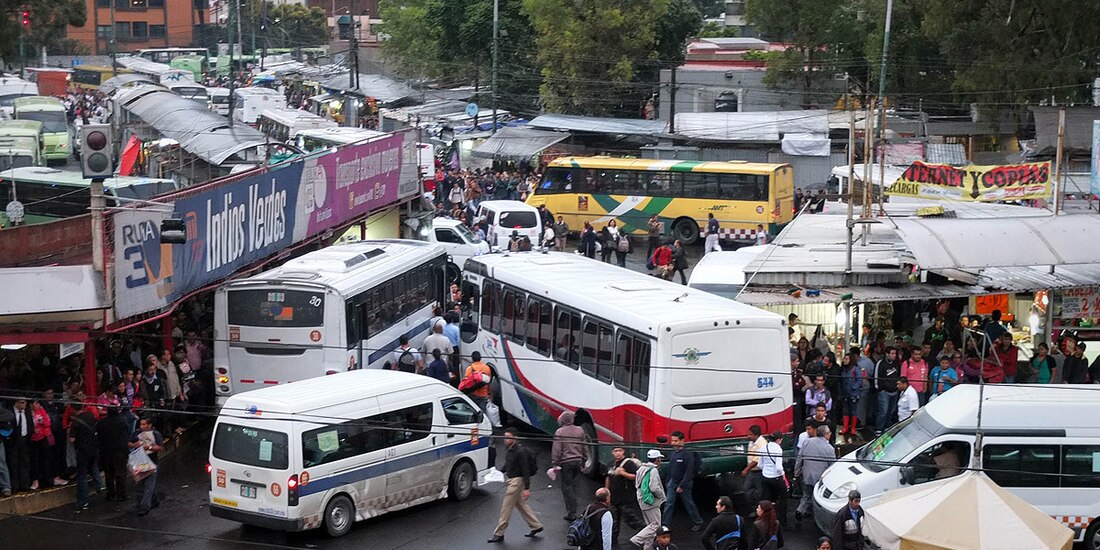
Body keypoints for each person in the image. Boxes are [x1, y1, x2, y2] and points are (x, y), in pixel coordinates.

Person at [488, 428, 543, 543]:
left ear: (515, 438)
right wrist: (498, 472)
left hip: (516, 482)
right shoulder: (510, 450)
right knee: (521, 505)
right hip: (511, 480)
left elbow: (525, 470)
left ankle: (499, 533)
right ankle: (536, 525)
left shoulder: (520, 452)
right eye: (505, 437)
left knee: (506, 508)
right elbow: (508, 464)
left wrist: (527, 488)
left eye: (508, 437)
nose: (505, 440)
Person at [662, 431, 703, 531]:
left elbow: (689, 472)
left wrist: (682, 485)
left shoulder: (688, 454)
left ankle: (698, 522)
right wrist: (668, 481)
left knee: (688, 503)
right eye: (672, 441)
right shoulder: (673, 454)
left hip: (684, 484)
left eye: (676, 441)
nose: (673, 443)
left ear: (682, 441)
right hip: (672, 482)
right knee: (669, 503)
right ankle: (665, 525)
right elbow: (671, 468)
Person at [552, 411, 588, 521]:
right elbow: (585, 446)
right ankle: (572, 508)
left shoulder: (560, 432)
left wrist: (555, 463)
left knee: (566, 486)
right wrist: (584, 460)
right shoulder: (580, 430)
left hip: (566, 462)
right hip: (577, 461)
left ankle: (572, 511)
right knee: (572, 485)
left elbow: (557, 449)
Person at [795, 425, 835, 524]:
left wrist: (797, 471)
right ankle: (816, 516)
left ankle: (800, 510)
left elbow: (800, 458)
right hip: (820, 477)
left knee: (807, 494)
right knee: (817, 497)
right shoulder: (829, 448)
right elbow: (832, 466)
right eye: (829, 432)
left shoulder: (807, 441)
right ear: (826, 435)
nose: (830, 434)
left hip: (807, 475)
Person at [605, 446, 643, 545]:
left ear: (623, 452)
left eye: (620, 451)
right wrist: (606, 492)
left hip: (626, 499)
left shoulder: (629, 464)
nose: (618, 453)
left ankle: (646, 535)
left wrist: (623, 473)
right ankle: (612, 542)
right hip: (613, 499)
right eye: (615, 451)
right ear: (612, 453)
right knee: (614, 522)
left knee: (632, 520)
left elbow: (636, 477)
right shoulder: (610, 464)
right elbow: (608, 478)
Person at [629, 449, 667, 549]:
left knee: (650, 527)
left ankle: (647, 547)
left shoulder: (641, 468)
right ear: (657, 459)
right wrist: (661, 495)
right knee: (656, 526)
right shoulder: (653, 470)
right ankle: (636, 539)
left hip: (642, 500)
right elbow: (654, 487)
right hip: (651, 502)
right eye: (660, 459)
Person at [68, 402, 101, 511]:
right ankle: (99, 485)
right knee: (94, 467)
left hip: (82, 451)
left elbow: (72, 439)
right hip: (94, 448)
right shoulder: (90, 416)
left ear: (73, 409)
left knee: (82, 475)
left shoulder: (75, 422)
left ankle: (84, 500)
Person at [130, 416, 163, 516]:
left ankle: (144, 507)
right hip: (140, 463)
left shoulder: (155, 434)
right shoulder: (136, 433)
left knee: (149, 485)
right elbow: (129, 443)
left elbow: (160, 447)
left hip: (152, 462)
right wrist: (135, 445)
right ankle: (154, 500)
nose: (142, 426)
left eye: (145, 424)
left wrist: (148, 447)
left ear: (150, 425)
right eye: (141, 424)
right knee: (142, 484)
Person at [97, 405, 130, 502]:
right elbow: (127, 432)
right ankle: (121, 494)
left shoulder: (101, 423)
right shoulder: (122, 421)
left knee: (109, 473)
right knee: (120, 472)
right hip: (120, 451)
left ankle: (110, 493)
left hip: (106, 452)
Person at [760, 431, 788, 523]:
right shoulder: (778, 449)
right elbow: (779, 467)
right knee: (783, 497)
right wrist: (783, 474)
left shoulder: (764, 447)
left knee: (768, 499)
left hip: (765, 477)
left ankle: (767, 518)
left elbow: (760, 464)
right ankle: (781, 518)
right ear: (779, 439)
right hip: (776, 477)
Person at [874, 347, 901, 435]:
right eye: (892, 353)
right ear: (887, 354)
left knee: (891, 410)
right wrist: (879, 388)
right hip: (884, 391)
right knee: (883, 411)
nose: (894, 356)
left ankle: (887, 427)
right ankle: (879, 428)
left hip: (894, 391)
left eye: (895, 354)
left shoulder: (896, 364)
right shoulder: (881, 363)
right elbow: (876, 377)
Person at [6, 397, 31, 492]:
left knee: (25, 463)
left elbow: (30, 424)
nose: (24, 405)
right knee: (13, 463)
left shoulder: (27, 411)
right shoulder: (9, 411)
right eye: (22, 402)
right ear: (16, 403)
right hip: (13, 440)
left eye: (25, 402)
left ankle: (25, 484)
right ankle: (14, 485)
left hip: (24, 439)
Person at [740, 425, 766, 508]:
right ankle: (753, 507)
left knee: (759, 491)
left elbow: (756, 460)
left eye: (750, 434)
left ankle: (758, 508)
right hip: (752, 471)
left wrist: (746, 469)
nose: (748, 436)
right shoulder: (751, 442)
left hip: (759, 471)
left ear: (756, 435)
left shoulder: (762, 443)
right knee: (746, 488)